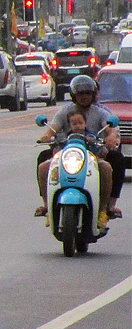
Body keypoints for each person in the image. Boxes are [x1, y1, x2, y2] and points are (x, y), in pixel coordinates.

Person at [36, 74, 116, 230]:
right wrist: (47, 136)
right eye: (80, 94)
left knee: (106, 167)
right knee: (43, 165)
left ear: (93, 95)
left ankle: (103, 210)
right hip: (67, 155)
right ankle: (47, 206)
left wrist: (111, 137)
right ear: (74, 95)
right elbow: (53, 128)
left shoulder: (100, 112)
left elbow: (110, 128)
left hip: (92, 156)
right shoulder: (65, 112)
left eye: (88, 93)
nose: (84, 97)